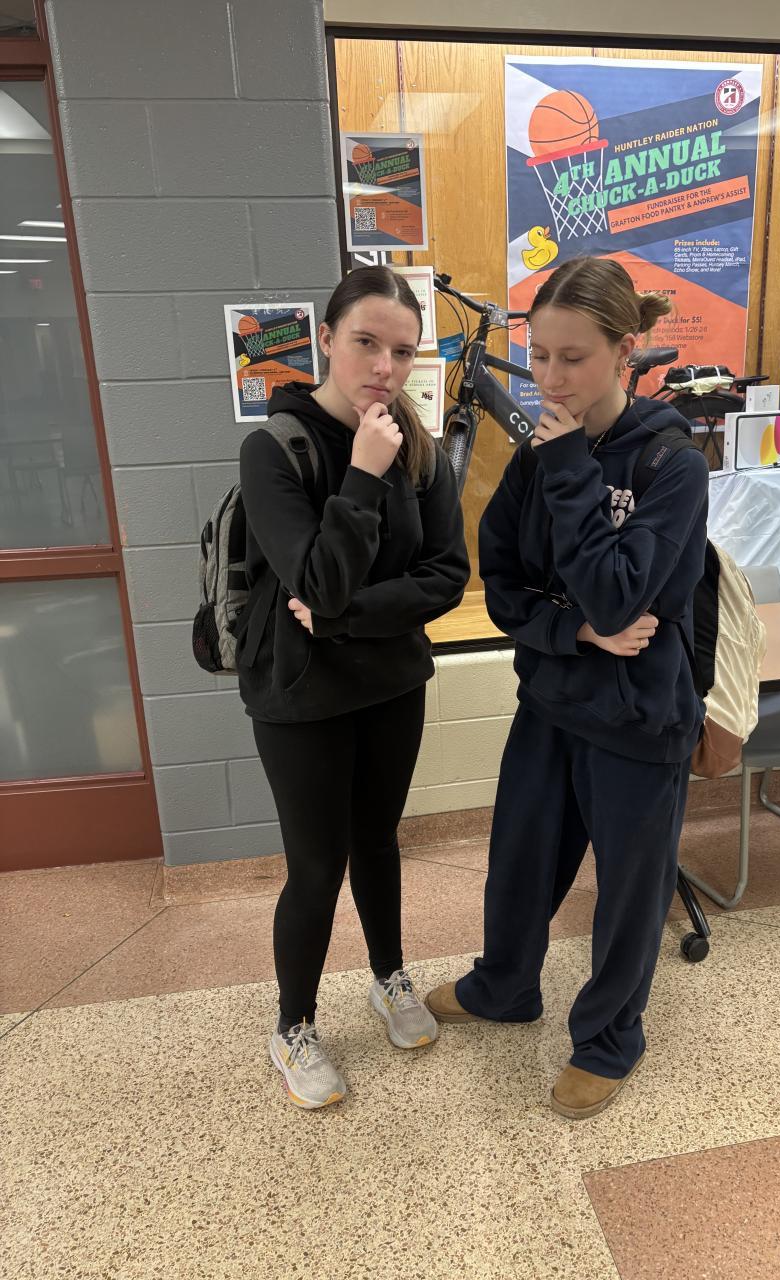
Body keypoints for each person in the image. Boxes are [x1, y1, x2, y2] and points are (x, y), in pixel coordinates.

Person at [426, 256, 709, 1120]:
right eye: (540, 356)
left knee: (628, 893)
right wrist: (577, 631)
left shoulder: (670, 463)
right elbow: (504, 585)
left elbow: (623, 594)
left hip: (639, 718)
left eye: (573, 358)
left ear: (625, 351)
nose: (549, 379)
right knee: (518, 863)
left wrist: (573, 470)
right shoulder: (537, 456)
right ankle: (504, 986)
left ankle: (610, 1039)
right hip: (551, 700)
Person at [238, 266, 470, 1110]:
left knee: (377, 841)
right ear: (327, 338)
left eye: (402, 352)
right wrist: (365, 473)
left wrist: (343, 619)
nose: (383, 366)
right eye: (366, 342)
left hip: (390, 681)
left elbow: (446, 574)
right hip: (299, 695)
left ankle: (389, 976)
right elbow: (317, 579)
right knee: (316, 864)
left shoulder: (421, 446)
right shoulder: (276, 449)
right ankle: (293, 1025)